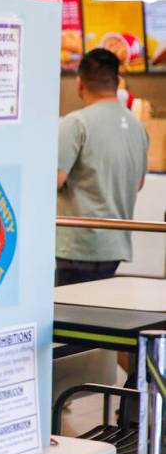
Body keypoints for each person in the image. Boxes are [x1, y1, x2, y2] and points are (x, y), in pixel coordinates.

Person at [56, 48, 149, 286]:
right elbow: (138, 184)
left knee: (72, 318)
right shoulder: (137, 125)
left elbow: (55, 179)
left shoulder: (76, 122)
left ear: (79, 83)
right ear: (118, 82)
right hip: (115, 246)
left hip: (76, 246)